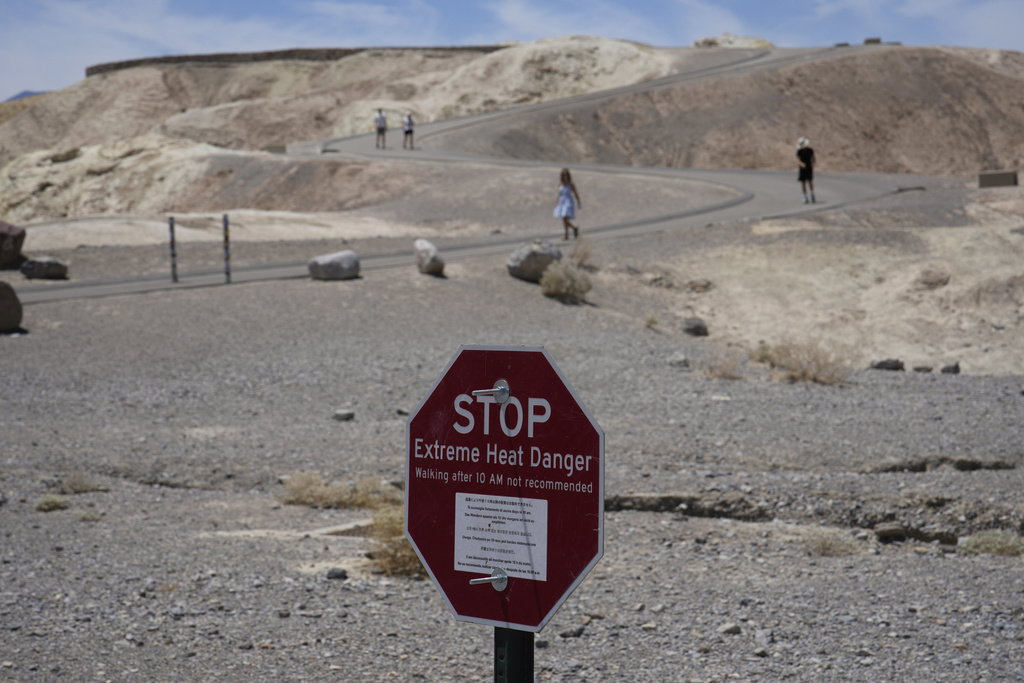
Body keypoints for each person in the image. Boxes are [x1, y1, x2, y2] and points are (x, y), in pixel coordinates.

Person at [553, 168, 582, 240]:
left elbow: (575, 192)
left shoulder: (571, 184)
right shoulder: (560, 183)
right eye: (563, 174)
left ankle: (566, 235)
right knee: (564, 219)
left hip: (568, 201)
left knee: (565, 217)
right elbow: (559, 194)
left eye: (565, 174)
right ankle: (574, 228)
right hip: (562, 201)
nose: (564, 175)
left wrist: (578, 201)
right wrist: (557, 203)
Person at [797, 137, 816, 203]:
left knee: (810, 181)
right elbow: (798, 160)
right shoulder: (799, 151)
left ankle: (812, 194)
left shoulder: (810, 150)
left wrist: (813, 163)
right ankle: (805, 196)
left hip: (808, 167)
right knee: (803, 182)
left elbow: (813, 158)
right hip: (802, 168)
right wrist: (801, 164)